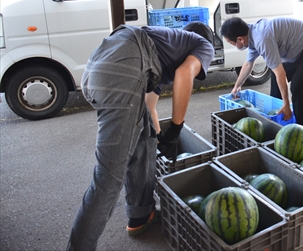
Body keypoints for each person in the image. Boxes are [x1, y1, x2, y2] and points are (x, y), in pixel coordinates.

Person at [66, 22, 215, 251]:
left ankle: (140, 215)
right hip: (121, 73)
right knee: (108, 178)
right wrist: (175, 129)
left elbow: (149, 107)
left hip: (101, 68)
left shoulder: (161, 47)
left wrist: (159, 136)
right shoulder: (202, 43)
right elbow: (184, 74)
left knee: (144, 139)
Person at [220, 17, 303, 132]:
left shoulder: (262, 39)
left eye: (231, 43)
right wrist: (237, 86)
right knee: (276, 82)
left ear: (240, 39)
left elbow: (281, 74)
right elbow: (248, 64)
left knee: (298, 88)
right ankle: (277, 118)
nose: (232, 45)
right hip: (300, 50)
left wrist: (286, 104)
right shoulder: (251, 35)